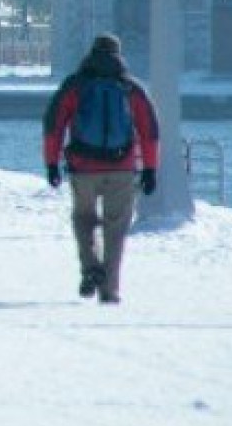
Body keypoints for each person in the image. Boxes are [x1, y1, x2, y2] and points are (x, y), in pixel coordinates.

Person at [43, 33, 160, 305]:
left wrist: (51, 163)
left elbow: (54, 125)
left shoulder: (76, 85)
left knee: (83, 218)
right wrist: (150, 168)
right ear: (119, 55)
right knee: (116, 229)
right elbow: (149, 130)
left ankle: (90, 266)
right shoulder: (131, 88)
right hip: (122, 167)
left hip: (83, 167)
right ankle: (109, 290)